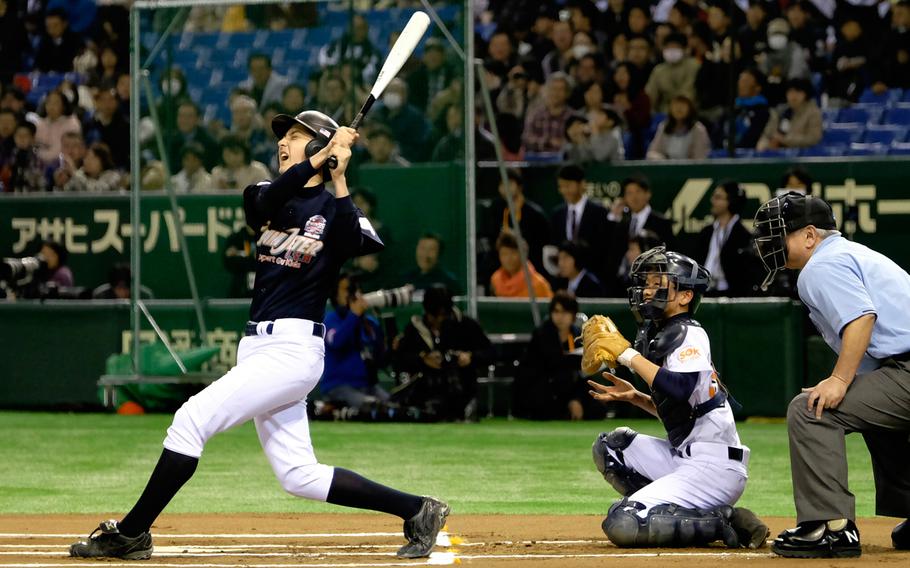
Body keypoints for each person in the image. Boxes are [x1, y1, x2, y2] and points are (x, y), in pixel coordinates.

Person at [69, 110, 450, 561]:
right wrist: (321, 157)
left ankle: (132, 533)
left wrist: (340, 175)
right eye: (283, 136)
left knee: (190, 421)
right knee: (298, 475)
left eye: (295, 135)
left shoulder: (334, 209)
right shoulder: (266, 195)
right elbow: (265, 204)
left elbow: (355, 240)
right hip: (257, 347)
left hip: (293, 350)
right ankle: (418, 510)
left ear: (317, 146)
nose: (282, 143)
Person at [753, 193, 910, 558]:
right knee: (872, 415)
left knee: (810, 411)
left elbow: (861, 318)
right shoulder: (853, 254)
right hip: (900, 368)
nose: (770, 244)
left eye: (779, 235)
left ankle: (830, 526)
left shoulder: (821, 265)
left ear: (810, 235)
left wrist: (839, 381)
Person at [582, 246, 769, 549]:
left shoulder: (689, 333)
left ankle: (722, 522)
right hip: (686, 457)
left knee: (623, 522)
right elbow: (686, 410)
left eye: (659, 283)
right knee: (611, 449)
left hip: (714, 468)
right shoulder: (666, 332)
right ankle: (687, 510)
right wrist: (637, 398)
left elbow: (680, 388)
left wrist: (626, 355)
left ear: (685, 296)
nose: (647, 290)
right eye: (647, 283)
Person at [392, 285, 492, 422]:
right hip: (424, 390)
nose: (439, 320)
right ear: (426, 311)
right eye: (434, 315)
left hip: (460, 388)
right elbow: (399, 359)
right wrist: (422, 359)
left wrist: (470, 357)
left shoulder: (466, 325)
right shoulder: (414, 328)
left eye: (443, 315)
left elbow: (490, 353)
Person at [513, 291, 590, 420]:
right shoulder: (542, 333)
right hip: (543, 386)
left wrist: (575, 398)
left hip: (570, 386)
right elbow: (552, 364)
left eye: (565, 312)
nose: (560, 317)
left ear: (573, 315)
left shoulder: (577, 335)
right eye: (556, 312)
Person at [321, 272, 390, 411]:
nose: (352, 295)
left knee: (392, 406)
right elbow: (336, 342)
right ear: (335, 293)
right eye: (347, 290)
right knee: (371, 406)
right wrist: (354, 315)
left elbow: (381, 358)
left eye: (355, 289)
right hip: (339, 386)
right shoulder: (330, 320)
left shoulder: (369, 323)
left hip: (368, 386)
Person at [692, 181, 762, 297]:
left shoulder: (744, 236)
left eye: (718, 197)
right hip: (703, 294)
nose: (712, 201)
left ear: (731, 201)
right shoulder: (706, 232)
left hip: (731, 295)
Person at [550, 164, 614, 281]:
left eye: (568, 186)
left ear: (581, 184)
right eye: (561, 186)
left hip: (593, 279)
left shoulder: (599, 213)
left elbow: (604, 250)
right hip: (564, 282)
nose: (564, 191)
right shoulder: (557, 215)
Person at [757, 78, 822, 151]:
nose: (793, 95)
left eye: (798, 91)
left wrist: (785, 139)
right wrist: (764, 144)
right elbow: (767, 134)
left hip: (802, 156)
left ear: (806, 93)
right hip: (777, 154)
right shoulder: (781, 111)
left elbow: (813, 139)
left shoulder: (813, 112)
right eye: (790, 91)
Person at [644, 32, 700, 114]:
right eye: (669, 47)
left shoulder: (693, 65)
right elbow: (650, 95)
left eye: (676, 47)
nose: (672, 51)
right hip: (664, 113)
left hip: (690, 111)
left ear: (685, 49)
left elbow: (690, 91)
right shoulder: (659, 70)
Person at [490, 231, 553, 299]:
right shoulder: (495, 281)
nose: (508, 258)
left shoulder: (538, 284)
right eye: (504, 254)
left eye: (513, 253)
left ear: (523, 254)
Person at [522, 72, 573, 154]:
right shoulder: (535, 114)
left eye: (560, 90)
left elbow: (576, 144)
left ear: (567, 93)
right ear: (547, 90)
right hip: (537, 163)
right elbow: (526, 139)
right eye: (553, 89)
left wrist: (564, 145)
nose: (556, 93)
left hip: (564, 163)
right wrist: (548, 142)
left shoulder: (572, 117)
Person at [646, 95, 711, 160]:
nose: (679, 108)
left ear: (690, 108)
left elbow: (700, 158)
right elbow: (652, 152)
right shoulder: (664, 126)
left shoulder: (698, 129)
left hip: (690, 168)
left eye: (683, 105)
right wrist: (664, 161)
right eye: (675, 105)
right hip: (667, 167)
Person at [35, 90, 82, 165]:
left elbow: (65, 151)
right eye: (48, 102)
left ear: (63, 106)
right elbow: (37, 147)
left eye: (56, 103)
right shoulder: (40, 123)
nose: (51, 106)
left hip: (63, 164)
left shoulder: (72, 123)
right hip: (40, 165)